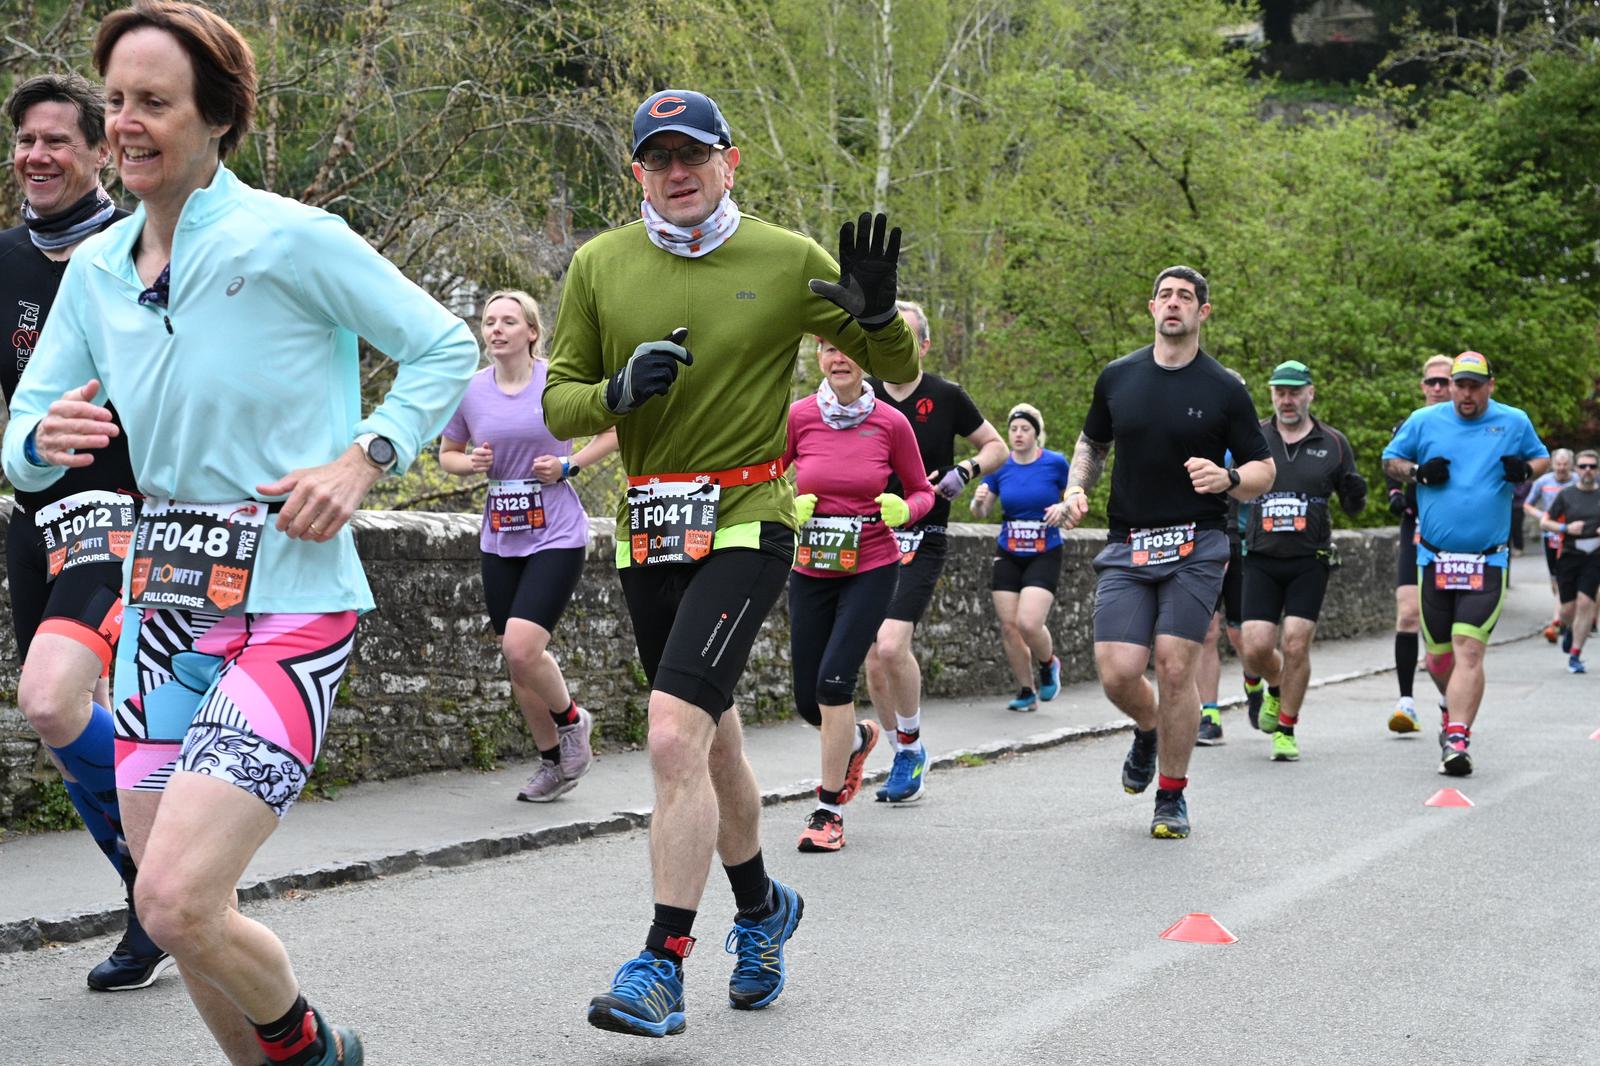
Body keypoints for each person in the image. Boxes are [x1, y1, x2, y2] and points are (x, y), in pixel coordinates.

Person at [2, 4, 478, 1062]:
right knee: (180, 902)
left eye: (153, 103)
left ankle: (312, 1050)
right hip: (166, 607)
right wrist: (44, 437)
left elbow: (442, 346)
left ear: (217, 117)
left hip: (294, 600)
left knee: (171, 899)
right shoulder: (96, 271)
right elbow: (20, 436)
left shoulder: (290, 238)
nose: (124, 124)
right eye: (115, 101)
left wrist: (365, 457)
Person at [542, 88, 919, 1038]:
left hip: (750, 516)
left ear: (729, 162)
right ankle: (762, 911)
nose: (679, 172)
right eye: (659, 158)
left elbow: (902, 375)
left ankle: (661, 963)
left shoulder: (788, 258)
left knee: (671, 737)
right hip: (649, 523)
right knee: (714, 741)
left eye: (695, 155)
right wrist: (615, 391)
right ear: (638, 172)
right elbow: (558, 404)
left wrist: (878, 324)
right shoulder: (599, 265)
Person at [1, 72, 166, 991]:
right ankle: (151, 899)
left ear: (102, 150)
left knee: (54, 698)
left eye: (57, 139)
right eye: (25, 139)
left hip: (127, 514)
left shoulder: (141, 244)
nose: (37, 155)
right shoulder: (5, 260)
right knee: (60, 722)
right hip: (35, 517)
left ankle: (169, 872)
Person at [1060, 265, 1274, 839]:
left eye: (1185, 296)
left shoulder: (1224, 386)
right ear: (1151, 308)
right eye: (1165, 296)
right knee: (1116, 673)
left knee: (1177, 663)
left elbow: (1264, 470)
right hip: (1129, 542)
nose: (1173, 304)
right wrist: (1077, 486)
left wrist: (1228, 478)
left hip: (1197, 544)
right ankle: (1149, 728)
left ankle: (1172, 795)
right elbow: (1092, 442)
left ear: (1203, 312)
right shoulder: (1118, 376)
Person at [439, 289, 618, 801]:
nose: (495, 329)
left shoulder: (556, 384)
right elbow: (447, 454)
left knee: (523, 647)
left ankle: (572, 721)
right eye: (489, 320)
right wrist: (469, 463)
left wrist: (569, 465)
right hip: (501, 534)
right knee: (516, 661)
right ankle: (553, 764)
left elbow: (613, 432)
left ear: (532, 333)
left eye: (508, 321)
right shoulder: (471, 390)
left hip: (556, 531)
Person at [784, 338, 933, 850]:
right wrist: (788, 506)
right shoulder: (799, 417)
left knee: (833, 685)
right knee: (809, 700)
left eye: (849, 348)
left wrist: (904, 510)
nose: (839, 357)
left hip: (870, 564)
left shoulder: (891, 423)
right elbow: (765, 480)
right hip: (810, 567)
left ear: (865, 359)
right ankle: (861, 739)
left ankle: (827, 812)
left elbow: (922, 490)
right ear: (820, 359)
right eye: (828, 348)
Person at [862, 300, 1004, 803]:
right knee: (874, 662)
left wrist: (965, 471)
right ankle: (901, 746)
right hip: (867, 536)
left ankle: (910, 747)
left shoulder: (945, 395)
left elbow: (996, 447)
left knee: (891, 646)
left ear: (922, 345)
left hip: (923, 536)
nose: (894, 345)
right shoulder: (863, 396)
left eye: (905, 336)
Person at [1382, 351, 1548, 776]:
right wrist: (1419, 473)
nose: (1466, 393)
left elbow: (1541, 459)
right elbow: (1390, 462)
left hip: (1487, 561)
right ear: (1450, 385)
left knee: (1469, 649)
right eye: (1460, 384)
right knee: (1439, 659)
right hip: (1434, 558)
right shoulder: (1425, 421)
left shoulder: (1514, 421)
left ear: (1490, 385)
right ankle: (1450, 707)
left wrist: (1525, 469)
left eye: (1476, 385)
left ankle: (1457, 737)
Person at [1238, 361, 1367, 761]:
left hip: (1309, 559)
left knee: (1295, 642)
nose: (1287, 400)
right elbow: (1231, 490)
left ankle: (1286, 728)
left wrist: (1355, 492)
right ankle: (1273, 685)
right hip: (1260, 556)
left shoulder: (1333, 442)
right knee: (1255, 646)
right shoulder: (1254, 437)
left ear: (1311, 393)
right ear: (1272, 394)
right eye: (1280, 392)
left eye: (1295, 392)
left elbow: (1354, 507)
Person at [971, 403, 1070, 712]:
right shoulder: (1000, 465)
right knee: (1010, 626)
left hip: (1045, 551)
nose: (1018, 434)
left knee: (1029, 622)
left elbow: (1075, 498)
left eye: (1024, 429)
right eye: (1013, 429)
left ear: (1036, 433)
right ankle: (1026, 690)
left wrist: (1063, 508)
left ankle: (1047, 663)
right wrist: (978, 502)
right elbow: (981, 512)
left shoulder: (1055, 463)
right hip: (1009, 551)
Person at [1383, 355, 1454, 733]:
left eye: (1445, 382)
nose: (1438, 388)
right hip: (1416, 528)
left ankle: (1448, 700)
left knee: (1447, 627)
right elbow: (1390, 463)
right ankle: (1406, 702)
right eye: (1432, 382)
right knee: (1408, 612)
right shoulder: (1411, 425)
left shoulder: (1468, 426)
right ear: (1423, 386)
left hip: (1457, 537)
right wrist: (1397, 492)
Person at [1195, 367, 1256, 746]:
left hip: (1244, 542)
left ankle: (1254, 682)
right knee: (1207, 632)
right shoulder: (1197, 436)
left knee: (1238, 632)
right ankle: (1210, 715)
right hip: (1203, 541)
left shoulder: (1255, 440)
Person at [1540, 449, 1600, 674]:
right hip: (1569, 555)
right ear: (1577, 469)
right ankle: (1566, 626)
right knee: (1568, 609)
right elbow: (1545, 523)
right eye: (1583, 466)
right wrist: (1565, 528)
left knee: (1586, 603)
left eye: (1592, 467)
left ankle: (1575, 655)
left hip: (1595, 556)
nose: (1587, 471)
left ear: (1597, 470)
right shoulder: (1566, 495)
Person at [1525, 448, 1576, 648]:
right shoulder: (1543, 482)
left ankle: (1560, 620)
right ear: (1553, 464)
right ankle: (1564, 615)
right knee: (1555, 578)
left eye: (1565, 464)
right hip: (1551, 535)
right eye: (1558, 464)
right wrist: (1544, 518)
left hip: (1573, 535)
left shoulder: (1578, 481)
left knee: (1567, 577)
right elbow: (1528, 505)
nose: (1562, 468)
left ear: (1570, 465)